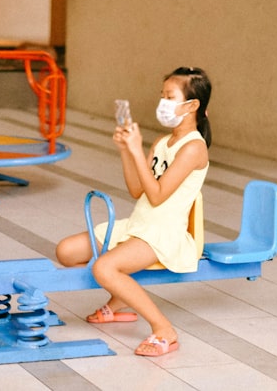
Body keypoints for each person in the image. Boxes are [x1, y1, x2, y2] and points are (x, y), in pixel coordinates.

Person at [55, 67, 212, 358]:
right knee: (66, 251)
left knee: (104, 267)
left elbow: (158, 195)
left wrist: (137, 149)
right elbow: (138, 190)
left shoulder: (194, 149)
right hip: (138, 225)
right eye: (161, 96)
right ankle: (120, 300)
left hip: (163, 234)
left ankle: (163, 328)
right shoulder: (163, 142)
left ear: (192, 105)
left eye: (169, 96)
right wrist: (127, 151)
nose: (162, 102)